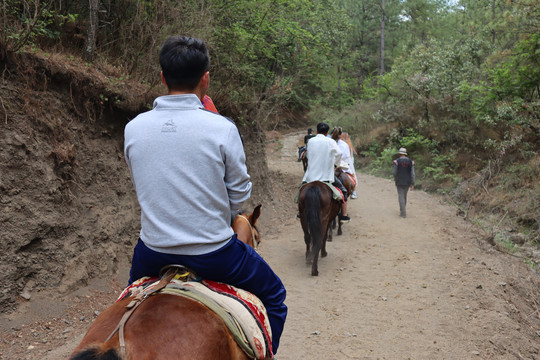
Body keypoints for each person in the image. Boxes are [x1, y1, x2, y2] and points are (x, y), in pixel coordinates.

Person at [124, 35, 287, 355]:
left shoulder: (134, 127)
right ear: (205, 79)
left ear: (162, 77)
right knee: (275, 297)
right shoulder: (221, 128)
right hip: (215, 254)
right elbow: (239, 193)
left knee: (129, 300)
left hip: (152, 253)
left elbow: (144, 184)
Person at [302, 122, 350, 222]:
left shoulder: (310, 141)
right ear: (327, 132)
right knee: (343, 191)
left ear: (316, 131)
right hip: (326, 176)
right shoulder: (330, 141)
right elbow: (339, 153)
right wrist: (335, 165)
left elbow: (307, 155)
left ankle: (300, 212)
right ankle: (344, 215)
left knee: (301, 192)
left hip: (310, 176)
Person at [393, 147, 415, 218]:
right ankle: (403, 210)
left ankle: (403, 213)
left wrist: (395, 178)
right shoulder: (410, 162)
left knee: (401, 196)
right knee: (404, 196)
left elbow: (394, 172)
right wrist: (412, 183)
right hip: (407, 181)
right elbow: (412, 174)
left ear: (399, 154)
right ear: (405, 154)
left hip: (399, 181)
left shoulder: (397, 161)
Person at [342, 132, 358, 199]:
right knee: (352, 175)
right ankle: (354, 192)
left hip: (346, 163)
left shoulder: (344, 145)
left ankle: (353, 192)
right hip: (350, 163)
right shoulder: (349, 145)